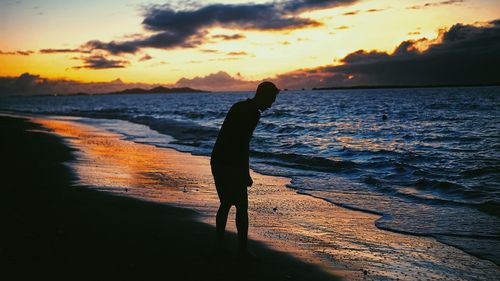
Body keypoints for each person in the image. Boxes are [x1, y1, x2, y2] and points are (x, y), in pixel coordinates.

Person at [210, 81, 279, 258]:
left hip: (218, 159)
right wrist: (245, 173)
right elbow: (242, 144)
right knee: (241, 206)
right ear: (264, 96)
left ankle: (218, 246)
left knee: (226, 203)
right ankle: (242, 250)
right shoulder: (253, 113)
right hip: (230, 162)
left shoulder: (240, 106)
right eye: (271, 100)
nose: (271, 105)